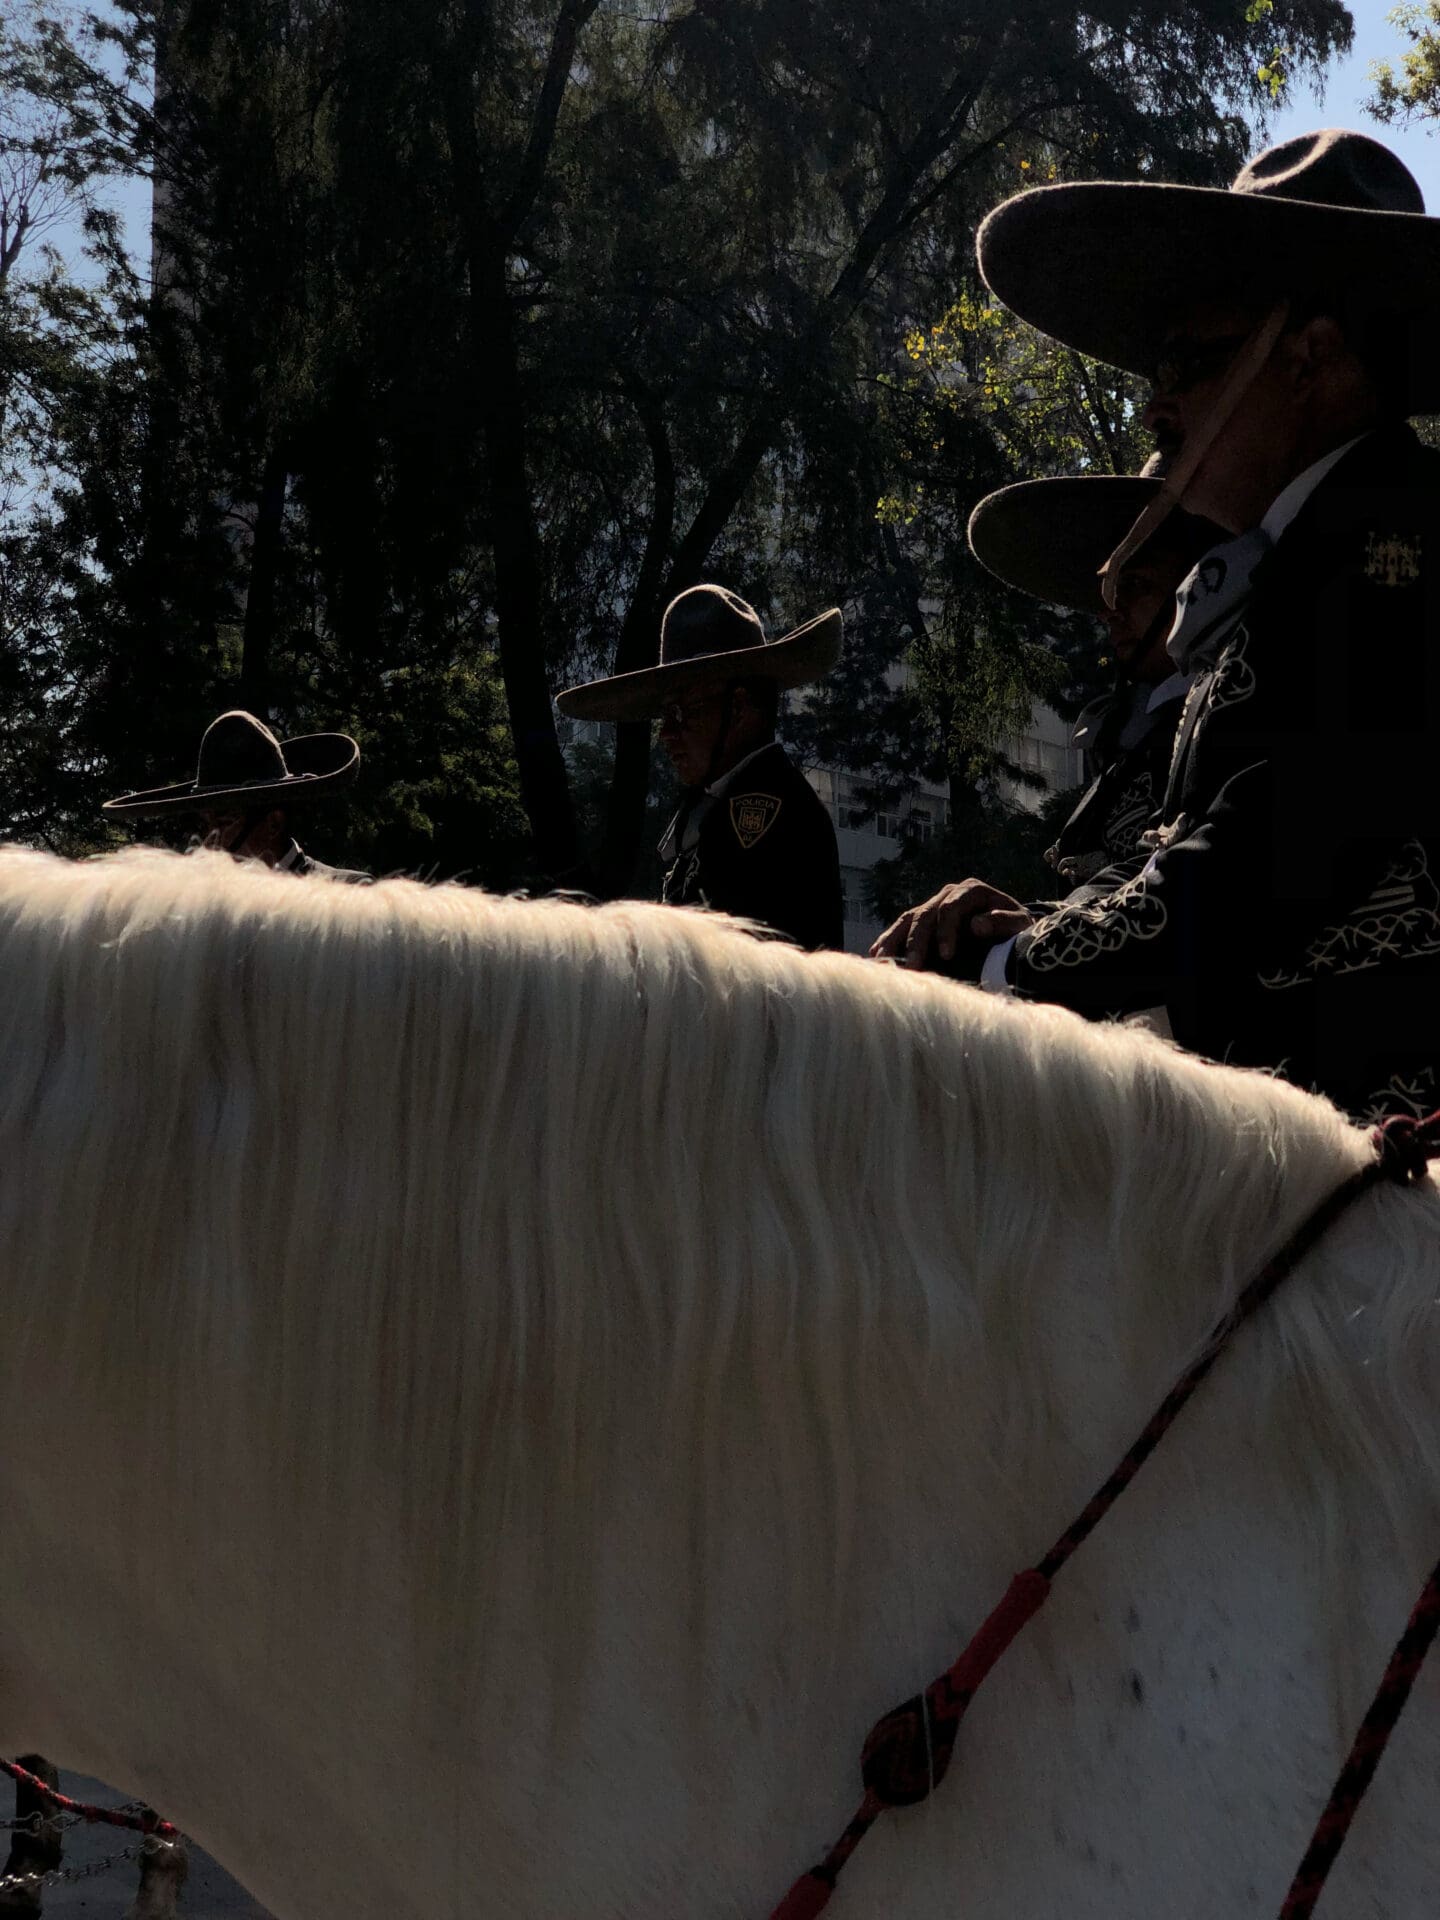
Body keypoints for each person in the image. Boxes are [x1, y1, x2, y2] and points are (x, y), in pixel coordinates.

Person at [873, 128, 1440, 1121]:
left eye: (1190, 364)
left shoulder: (1391, 553)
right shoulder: (1312, 559)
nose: (1155, 406)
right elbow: (1216, 862)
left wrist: (1005, 967)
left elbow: (1253, 881)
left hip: (1393, 1187)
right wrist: (1046, 925)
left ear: (1311, 357)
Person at [965, 466, 1223, 889]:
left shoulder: (1225, 715)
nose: (1110, 609)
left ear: (1204, 581)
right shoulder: (1130, 734)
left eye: (1136, 584)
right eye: (1109, 587)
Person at [558, 584, 844, 951]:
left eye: (680, 712)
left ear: (738, 708)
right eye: (665, 715)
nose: (667, 735)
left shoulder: (767, 813)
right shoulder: (717, 807)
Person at [104, 709, 372, 882]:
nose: (209, 842)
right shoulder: (197, 920)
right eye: (204, 823)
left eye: (223, 821)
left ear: (273, 824)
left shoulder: (351, 897)